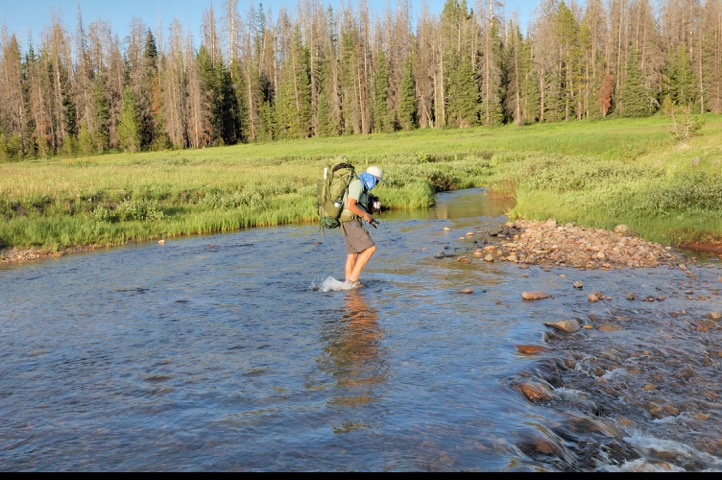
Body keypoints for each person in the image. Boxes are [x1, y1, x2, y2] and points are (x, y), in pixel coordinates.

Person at [339, 166, 383, 289]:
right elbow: (350, 205)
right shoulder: (358, 184)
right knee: (370, 248)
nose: (376, 184)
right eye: (377, 181)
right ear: (372, 178)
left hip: (348, 221)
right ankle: (354, 280)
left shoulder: (361, 186)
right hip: (350, 221)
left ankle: (348, 285)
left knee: (352, 254)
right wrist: (365, 214)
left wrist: (367, 212)